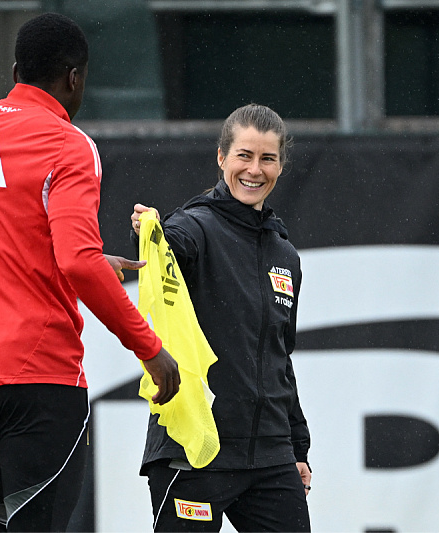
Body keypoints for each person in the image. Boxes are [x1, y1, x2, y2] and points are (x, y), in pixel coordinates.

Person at [0, 13, 180, 532]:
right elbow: (77, 261)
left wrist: (80, 260)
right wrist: (151, 351)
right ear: (74, 78)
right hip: (36, 374)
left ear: (17, 69)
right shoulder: (69, 144)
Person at [131, 104, 312, 532]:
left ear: (281, 166)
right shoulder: (196, 225)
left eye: (267, 158)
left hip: (270, 456)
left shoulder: (284, 254)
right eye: (244, 156)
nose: (254, 170)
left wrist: (297, 447)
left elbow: (279, 360)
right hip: (194, 452)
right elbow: (171, 244)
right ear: (221, 158)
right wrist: (150, 235)